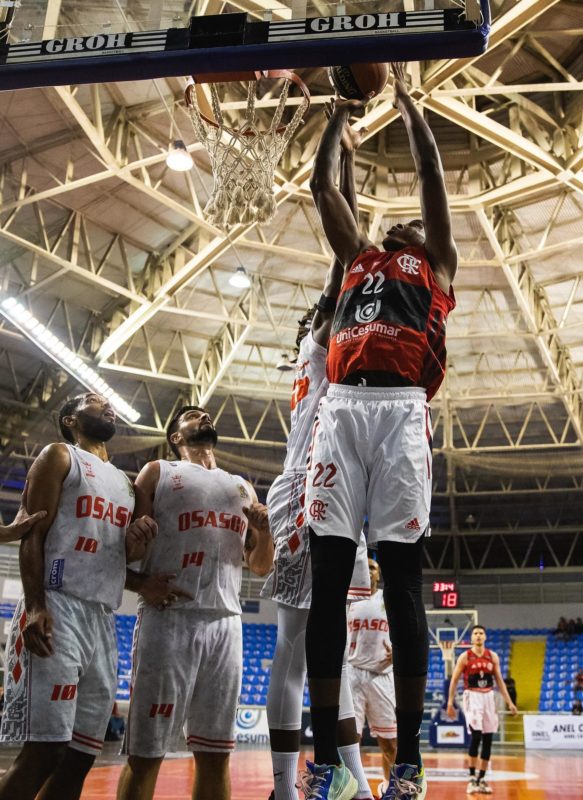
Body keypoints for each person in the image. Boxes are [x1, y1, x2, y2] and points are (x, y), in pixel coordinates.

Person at [304, 60, 457, 799]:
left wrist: (407, 102)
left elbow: (430, 172)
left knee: (401, 582)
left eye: (412, 224)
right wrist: (341, 109)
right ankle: (327, 758)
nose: (399, 220)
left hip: (399, 413)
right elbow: (324, 187)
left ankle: (409, 763)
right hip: (342, 409)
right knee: (330, 581)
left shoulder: (437, 264)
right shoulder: (357, 259)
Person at [262, 113, 373, 800]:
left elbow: (351, 246)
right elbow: (346, 245)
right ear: (324, 318)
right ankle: (282, 785)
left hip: (333, 490)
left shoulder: (330, 342)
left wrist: (354, 165)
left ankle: (354, 784)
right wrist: (340, 133)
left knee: (328, 651)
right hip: (307, 487)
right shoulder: (324, 337)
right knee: (297, 646)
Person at [0, 392, 155, 800]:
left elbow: (121, 557)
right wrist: (36, 605)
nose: (107, 404)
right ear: (70, 419)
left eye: (109, 401)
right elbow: (31, 533)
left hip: (102, 618)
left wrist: (136, 542)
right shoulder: (59, 456)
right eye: (93, 400)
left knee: (80, 756)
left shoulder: (125, 482)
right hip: (57, 604)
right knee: (45, 751)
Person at [117, 405, 274, 800]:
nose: (202, 416)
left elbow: (259, 565)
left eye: (205, 413)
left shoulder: (242, 487)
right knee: (146, 752)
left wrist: (264, 531)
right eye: (191, 414)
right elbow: (127, 547)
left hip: (226, 621)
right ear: (176, 437)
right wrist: (139, 580)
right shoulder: (159, 472)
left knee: (216, 754)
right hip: (170, 617)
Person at [447, 625, 517, 796]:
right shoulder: (465, 657)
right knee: (476, 735)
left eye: (481, 633)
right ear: (471, 638)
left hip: (489, 697)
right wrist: (450, 702)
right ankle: (471, 778)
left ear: (485, 637)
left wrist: (510, 702)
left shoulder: (492, 656)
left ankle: (482, 779)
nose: (478, 636)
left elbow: (500, 681)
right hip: (472, 696)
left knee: (488, 739)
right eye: (475, 633)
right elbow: (454, 680)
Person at [347, 558, 397, 795]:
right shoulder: (348, 598)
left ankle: (390, 788)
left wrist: (398, 652)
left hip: (381, 675)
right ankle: (354, 790)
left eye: (373, 567)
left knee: (390, 743)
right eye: (364, 567)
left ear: (379, 574)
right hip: (353, 674)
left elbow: (406, 631)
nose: (368, 570)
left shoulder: (389, 599)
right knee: (350, 740)